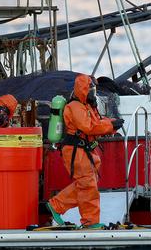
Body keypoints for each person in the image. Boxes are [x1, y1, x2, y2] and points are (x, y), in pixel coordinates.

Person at [46, 74, 125, 229]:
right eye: (90, 91)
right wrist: (110, 126)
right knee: (88, 185)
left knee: (86, 184)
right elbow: (88, 127)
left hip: (84, 150)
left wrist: (111, 123)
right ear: (83, 90)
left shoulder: (86, 105)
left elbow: (95, 123)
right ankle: (90, 222)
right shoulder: (74, 107)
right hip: (76, 150)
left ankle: (56, 205)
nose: (93, 94)